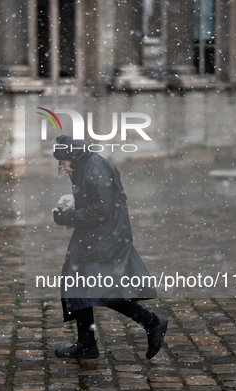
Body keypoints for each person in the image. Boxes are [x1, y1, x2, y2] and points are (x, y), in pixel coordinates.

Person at [51, 135, 168, 359]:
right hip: (94, 236)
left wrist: (67, 217)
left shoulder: (95, 170)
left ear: (74, 158)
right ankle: (86, 344)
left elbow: (100, 211)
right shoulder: (84, 166)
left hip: (105, 239)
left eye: (64, 164)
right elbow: (95, 201)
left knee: (103, 290)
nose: (63, 169)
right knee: (78, 284)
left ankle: (152, 322)